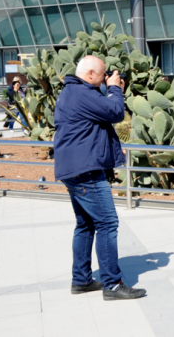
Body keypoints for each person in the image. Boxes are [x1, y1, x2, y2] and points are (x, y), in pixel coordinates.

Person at [54, 56, 146, 301]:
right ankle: (112, 285)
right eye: (103, 75)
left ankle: (81, 280)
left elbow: (99, 109)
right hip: (86, 171)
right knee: (107, 223)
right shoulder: (82, 94)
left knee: (85, 224)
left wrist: (108, 88)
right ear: (91, 73)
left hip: (74, 168)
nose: (106, 78)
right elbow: (115, 112)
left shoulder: (72, 91)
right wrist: (115, 88)